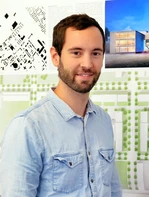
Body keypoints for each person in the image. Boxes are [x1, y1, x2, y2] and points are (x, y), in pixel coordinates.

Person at [0, 14, 122, 197]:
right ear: (55, 57)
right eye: (76, 53)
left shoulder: (103, 120)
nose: (87, 64)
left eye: (96, 53)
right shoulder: (28, 126)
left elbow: (113, 191)